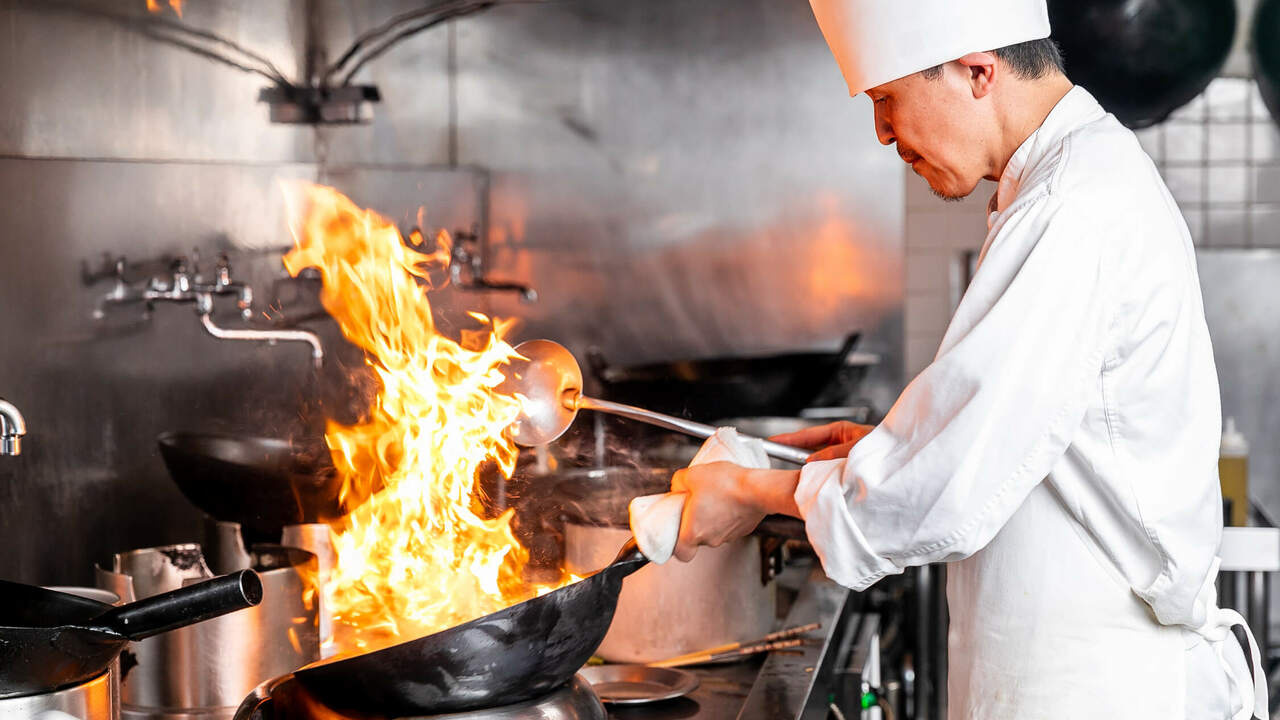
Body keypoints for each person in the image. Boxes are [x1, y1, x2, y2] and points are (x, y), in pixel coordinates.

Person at [663, 1, 1267, 717]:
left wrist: (747, 493)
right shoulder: (1065, 181)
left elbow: (950, 485)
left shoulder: (1073, 208)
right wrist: (886, 451)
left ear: (977, 70)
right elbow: (1026, 441)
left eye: (887, 100)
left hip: (1095, 685)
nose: (884, 132)